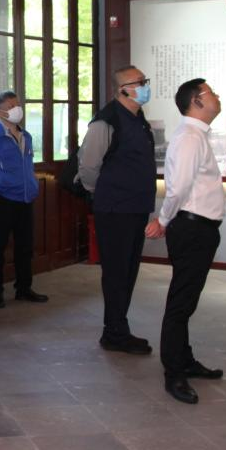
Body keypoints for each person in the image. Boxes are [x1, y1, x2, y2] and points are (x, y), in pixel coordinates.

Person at [145, 79, 226, 405]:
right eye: (211, 92)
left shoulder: (196, 135)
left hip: (200, 229)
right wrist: (163, 220)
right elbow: (177, 188)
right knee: (181, 303)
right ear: (196, 101)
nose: (217, 96)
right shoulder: (190, 138)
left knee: (187, 300)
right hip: (191, 229)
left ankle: (185, 359)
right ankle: (174, 373)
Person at [77, 64, 158, 355]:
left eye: (144, 80)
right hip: (114, 209)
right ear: (123, 90)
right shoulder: (106, 120)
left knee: (128, 271)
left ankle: (118, 327)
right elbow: (88, 167)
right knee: (116, 272)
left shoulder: (138, 118)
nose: (145, 86)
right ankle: (114, 332)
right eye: (139, 82)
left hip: (136, 207)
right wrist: (103, 192)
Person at [0, 90, 48, 308]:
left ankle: (24, 288)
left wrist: (32, 184)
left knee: (25, 247)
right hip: (3, 199)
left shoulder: (26, 136)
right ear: (0, 112)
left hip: (25, 198)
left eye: (17, 104)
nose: (17, 109)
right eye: (11, 106)